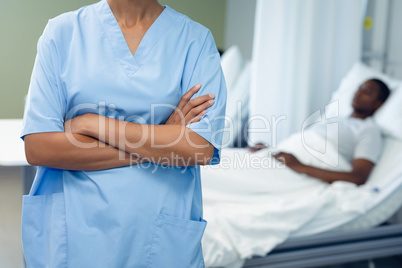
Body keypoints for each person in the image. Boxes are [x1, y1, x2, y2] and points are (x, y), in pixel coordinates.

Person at [20, 0, 227, 267]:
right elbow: (40, 148)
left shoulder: (195, 41)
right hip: (75, 237)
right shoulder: (62, 33)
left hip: (158, 237)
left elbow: (199, 148)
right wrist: (164, 136)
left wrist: (94, 124)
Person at [249, 79, 390, 186]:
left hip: (299, 171)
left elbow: (358, 177)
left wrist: (300, 167)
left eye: (367, 91)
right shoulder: (335, 119)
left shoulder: (369, 131)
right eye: (359, 88)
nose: (358, 93)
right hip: (282, 158)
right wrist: (271, 150)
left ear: (379, 103)